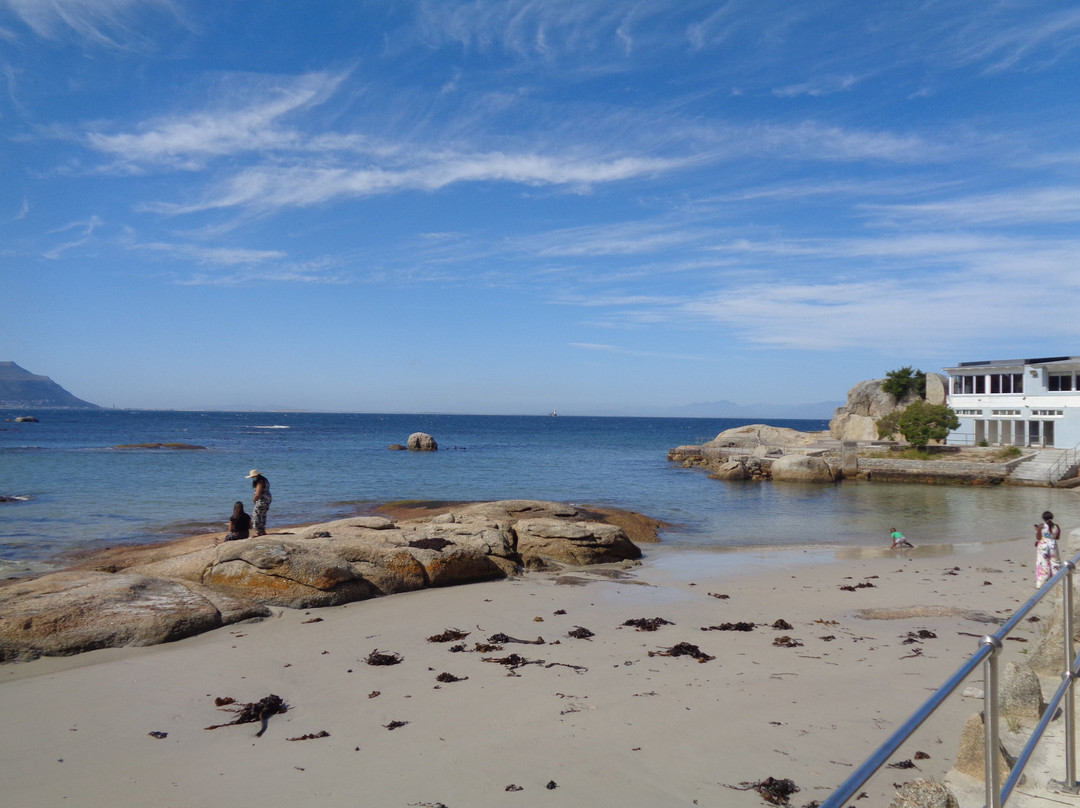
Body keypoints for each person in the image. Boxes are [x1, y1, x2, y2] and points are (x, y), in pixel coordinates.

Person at [1035, 510, 1061, 588]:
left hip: (1043, 547)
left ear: (1043, 518)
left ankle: (1041, 583)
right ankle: (1057, 581)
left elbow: (1038, 537)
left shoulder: (1041, 526)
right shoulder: (1056, 526)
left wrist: (1038, 530)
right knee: (1055, 563)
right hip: (1053, 546)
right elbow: (1057, 537)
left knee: (1043, 563)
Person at [246, 469, 271, 536]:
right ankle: (262, 531)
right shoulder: (265, 480)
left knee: (256, 516)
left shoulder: (259, 482)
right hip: (267, 498)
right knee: (262, 515)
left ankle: (258, 532)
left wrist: (254, 499)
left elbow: (257, 493)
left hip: (262, 500)